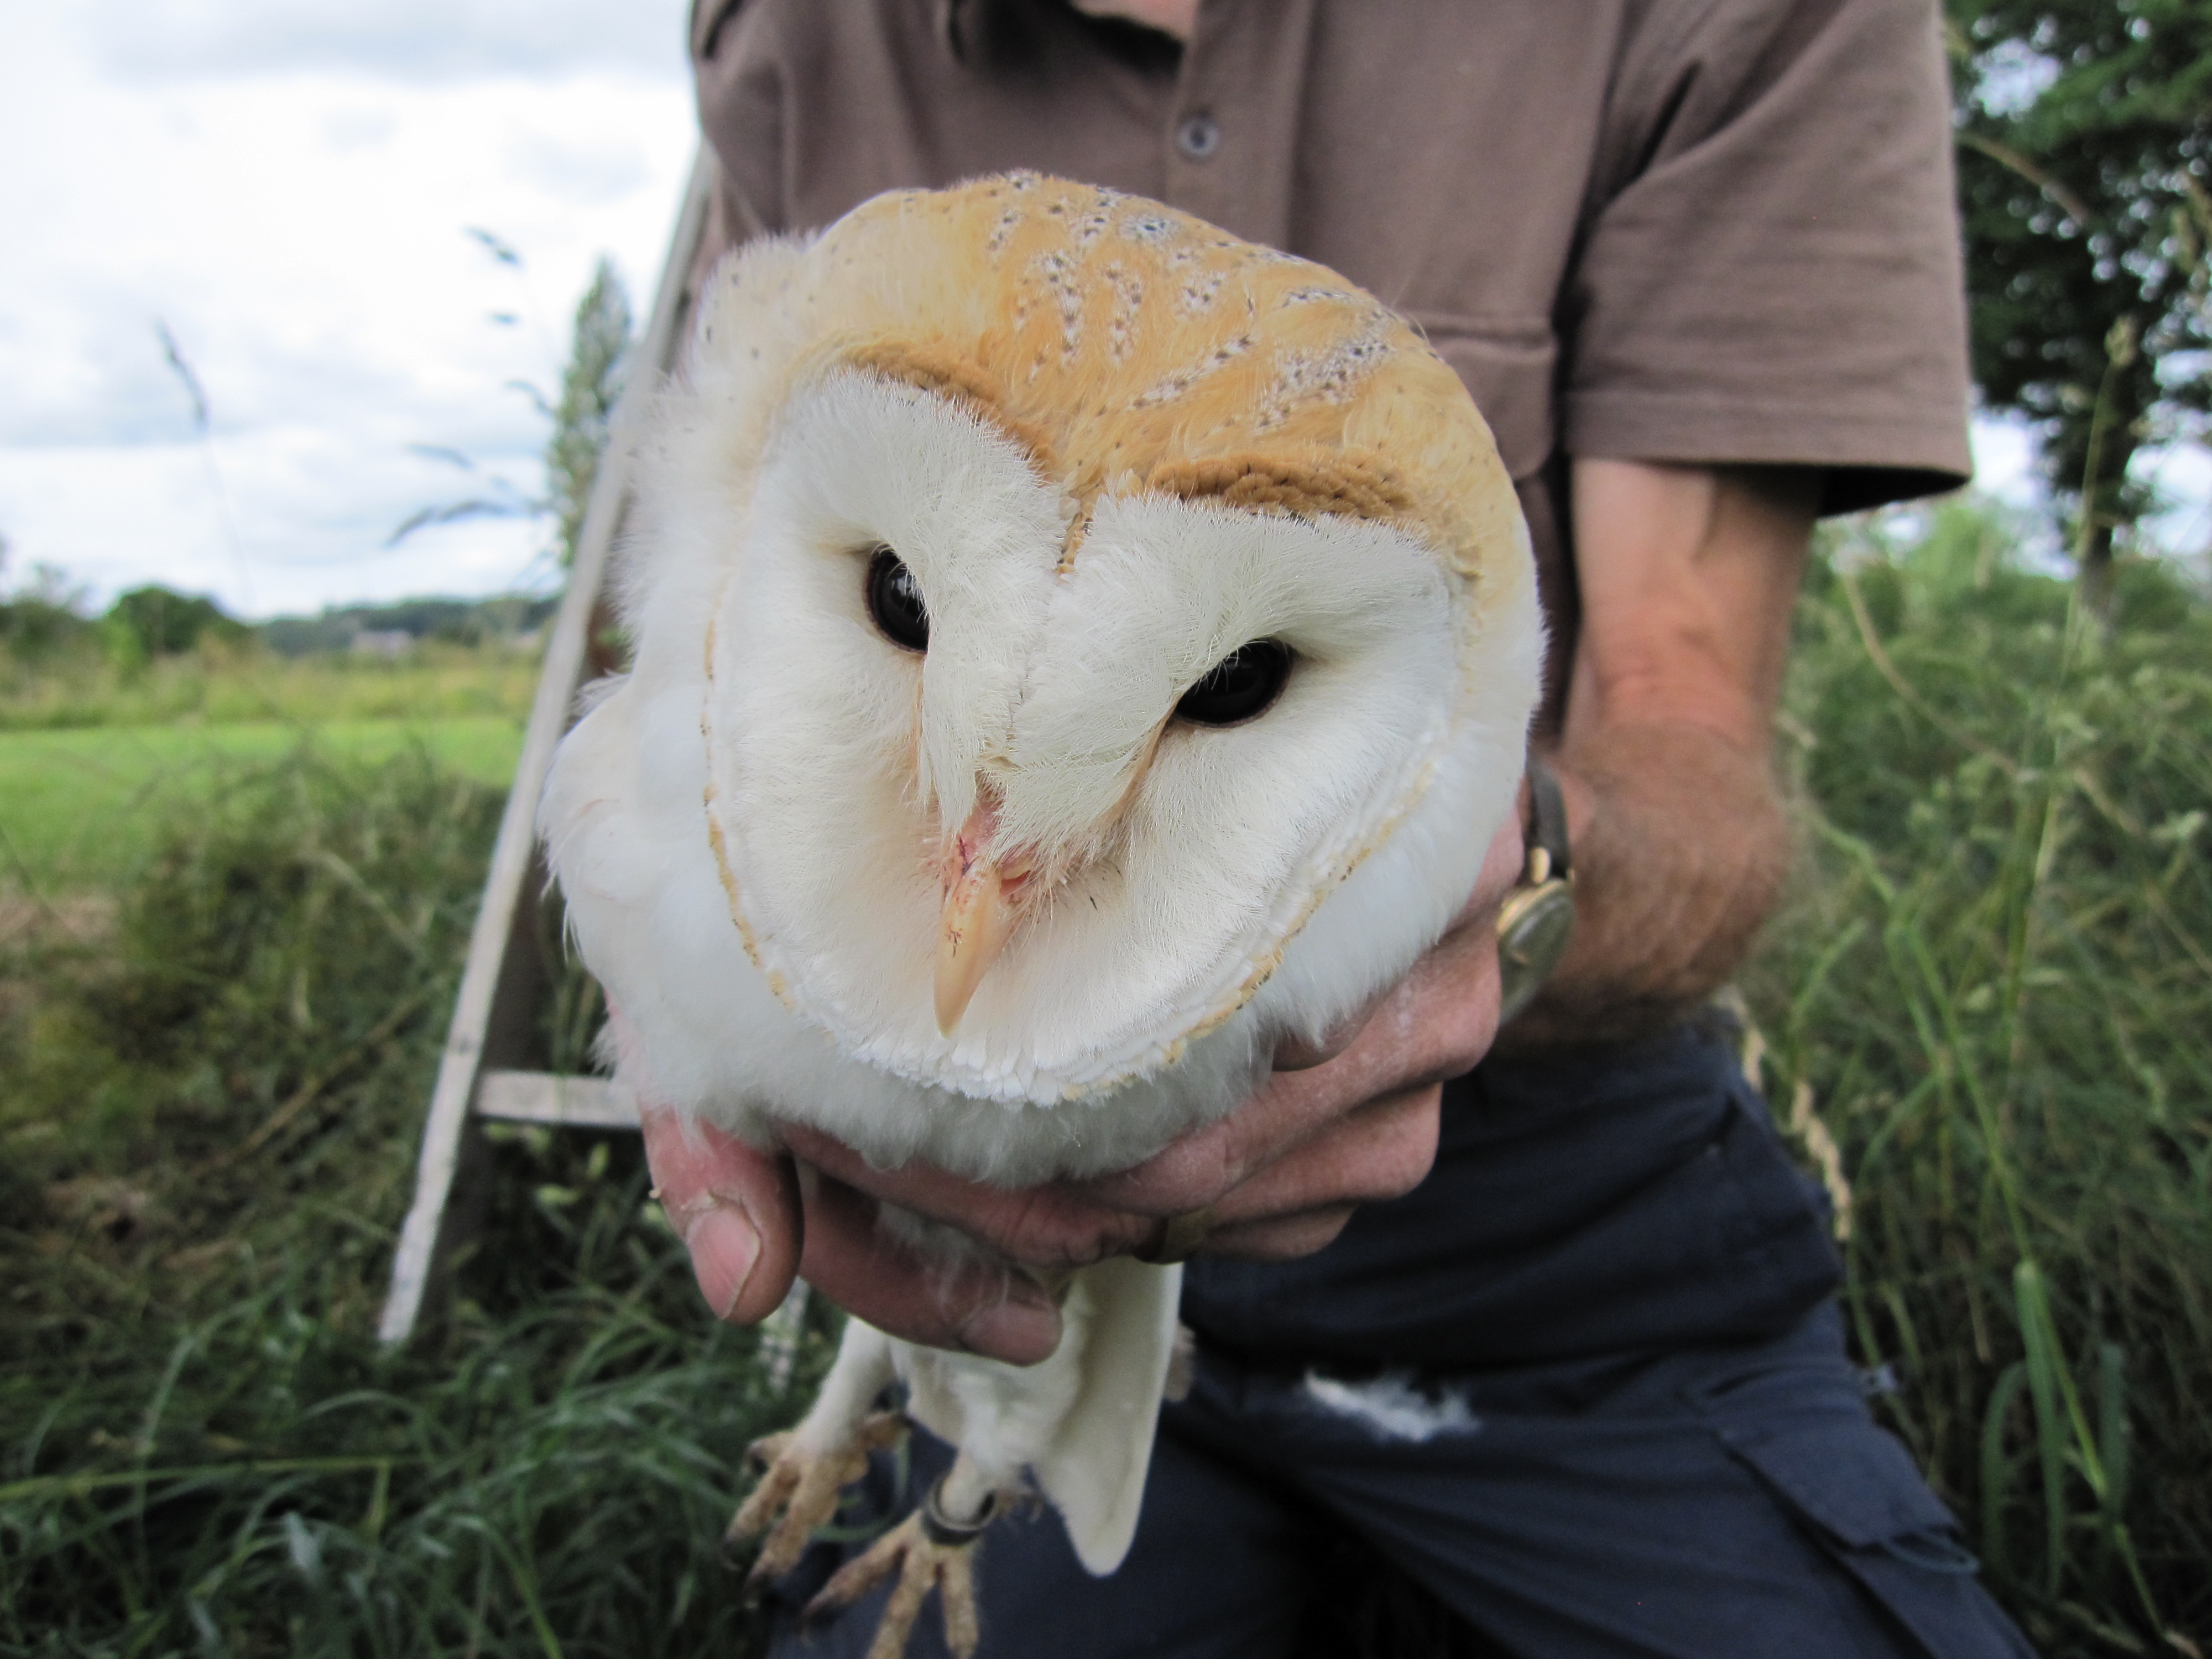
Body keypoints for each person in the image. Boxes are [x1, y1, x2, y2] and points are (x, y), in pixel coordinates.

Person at [640, 2, 2037, 1653]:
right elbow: (718, 594)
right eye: (901, 603)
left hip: (1551, 1224)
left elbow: (1689, 722)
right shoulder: (807, 24)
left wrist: (1459, 893)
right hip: (986, 1259)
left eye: (1240, 679)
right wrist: (693, 921)